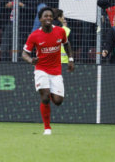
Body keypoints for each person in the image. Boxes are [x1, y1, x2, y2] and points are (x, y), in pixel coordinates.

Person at [22, 7, 75, 135]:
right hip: (41, 69)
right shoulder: (34, 35)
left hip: (56, 71)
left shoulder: (60, 32)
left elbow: (66, 44)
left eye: (50, 16)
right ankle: (47, 128)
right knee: (45, 97)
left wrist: (71, 59)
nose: (48, 18)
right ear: (40, 19)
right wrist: (30, 60)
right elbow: (24, 53)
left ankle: (49, 90)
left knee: (58, 101)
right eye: (45, 16)